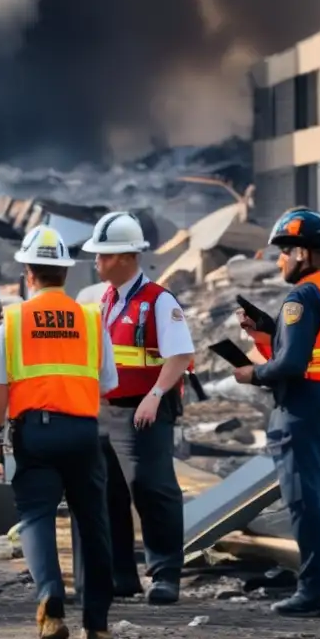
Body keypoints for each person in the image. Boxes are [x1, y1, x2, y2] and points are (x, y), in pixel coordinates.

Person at [0, 226, 116, 639]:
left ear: (28, 272)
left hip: (34, 435)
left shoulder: (14, 321)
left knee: (36, 516)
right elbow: (108, 384)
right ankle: (97, 624)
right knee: (93, 525)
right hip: (83, 433)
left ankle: (51, 604)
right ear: (65, 273)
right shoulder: (92, 320)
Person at [234, 208, 320, 618]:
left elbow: (291, 365)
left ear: (302, 252)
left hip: (304, 405)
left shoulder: (301, 297)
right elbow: (309, 354)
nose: (280, 260)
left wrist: (252, 373)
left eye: (284, 252)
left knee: (305, 501)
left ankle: (315, 593)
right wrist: (268, 337)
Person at [76, 211, 195, 606]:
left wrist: (156, 394)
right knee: (108, 493)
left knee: (151, 488)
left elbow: (180, 355)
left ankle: (165, 574)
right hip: (108, 410)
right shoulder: (104, 299)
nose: (97, 262)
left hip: (144, 410)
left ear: (127, 257)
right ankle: (119, 575)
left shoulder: (159, 301)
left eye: (104, 255)